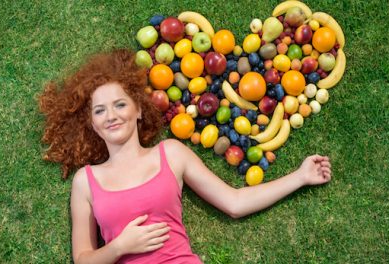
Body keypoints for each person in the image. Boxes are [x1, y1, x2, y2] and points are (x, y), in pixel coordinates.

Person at [39, 49, 332, 264]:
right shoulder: (86, 182)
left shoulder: (171, 153)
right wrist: (119, 247)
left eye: (119, 105)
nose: (111, 116)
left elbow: (234, 202)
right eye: (100, 110)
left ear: (138, 110)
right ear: (92, 123)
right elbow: (83, 259)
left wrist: (300, 176)